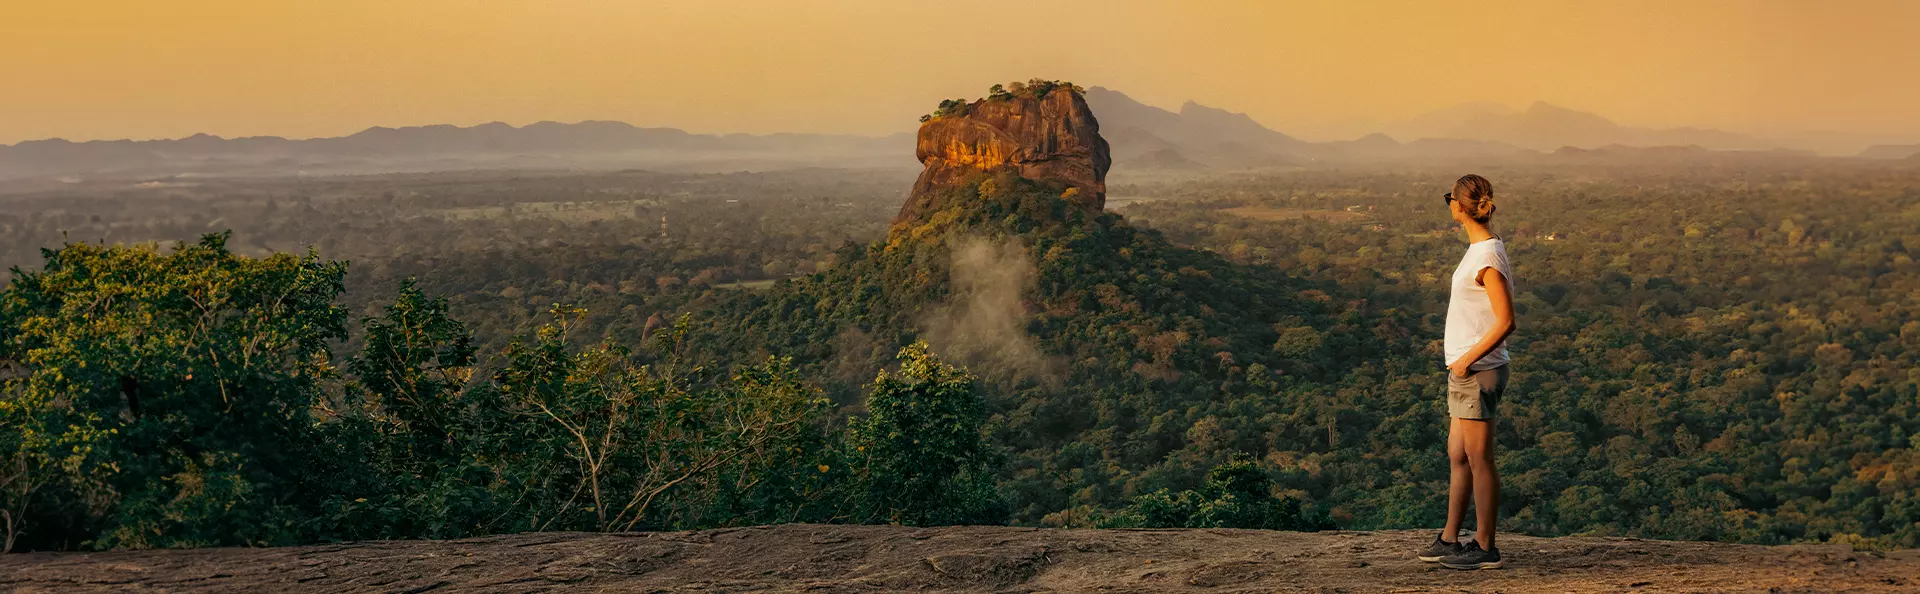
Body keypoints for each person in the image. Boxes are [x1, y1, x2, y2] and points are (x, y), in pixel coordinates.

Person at [1413, 174, 1515, 570]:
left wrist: (1466, 359)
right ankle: (1449, 538)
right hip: (1467, 370)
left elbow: (1506, 321)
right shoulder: (1481, 249)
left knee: (1479, 458)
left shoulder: (1487, 256)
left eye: (1450, 199)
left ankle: (1486, 546)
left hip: (1477, 370)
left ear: (1459, 206)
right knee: (1459, 453)